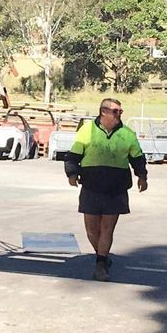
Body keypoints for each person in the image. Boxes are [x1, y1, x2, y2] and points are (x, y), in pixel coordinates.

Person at [64, 98, 148, 280]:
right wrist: (72, 173)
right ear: (104, 112)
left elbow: (138, 158)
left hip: (116, 189)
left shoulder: (127, 134)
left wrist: (142, 176)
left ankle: (100, 265)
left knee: (107, 228)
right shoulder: (87, 130)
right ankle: (102, 256)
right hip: (91, 187)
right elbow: (74, 155)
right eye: (115, 111)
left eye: (120, 111)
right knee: (91, 230)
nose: (119, 114)